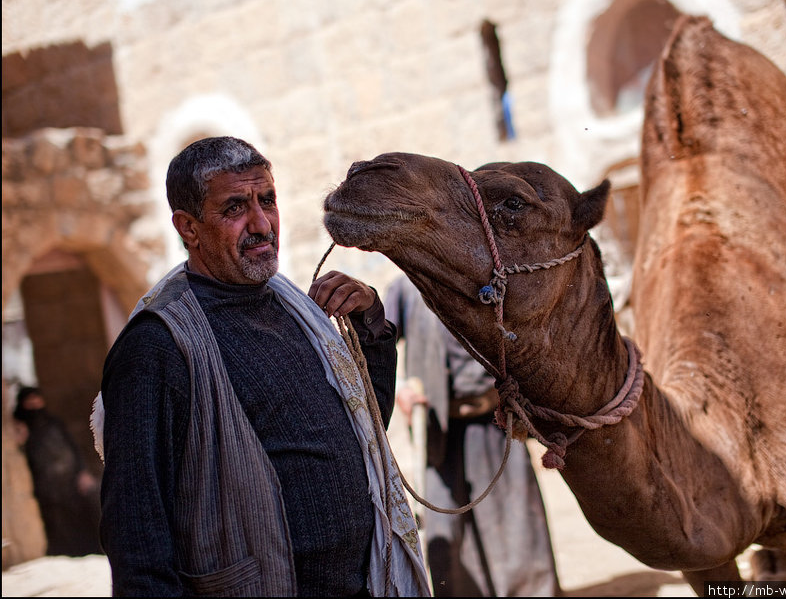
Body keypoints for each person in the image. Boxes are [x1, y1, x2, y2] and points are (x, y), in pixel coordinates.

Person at [96, 136, 430, 597]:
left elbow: (368, 435)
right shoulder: (157, 346)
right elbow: (137, 532)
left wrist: (369, 323)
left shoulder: (297, 310)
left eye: (267, 200)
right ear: (188, 227)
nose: (261, 223)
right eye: (235, 208)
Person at [384, 275, 560, 597]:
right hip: (440, 431)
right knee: (446, 535)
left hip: (497, 424)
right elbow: (379, 344)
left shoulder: (491, 277)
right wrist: (400, 390)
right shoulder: (406, 287)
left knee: (515, 524)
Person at [13, 385, 102, 557]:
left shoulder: (53, 422)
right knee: (58, 525)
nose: (34, 404)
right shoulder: (22, 428)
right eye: (29, 401)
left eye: (36, 399)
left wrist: (82, 472)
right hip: (47, 489)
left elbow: (73, 448)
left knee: (79, 519)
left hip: (70, 482)